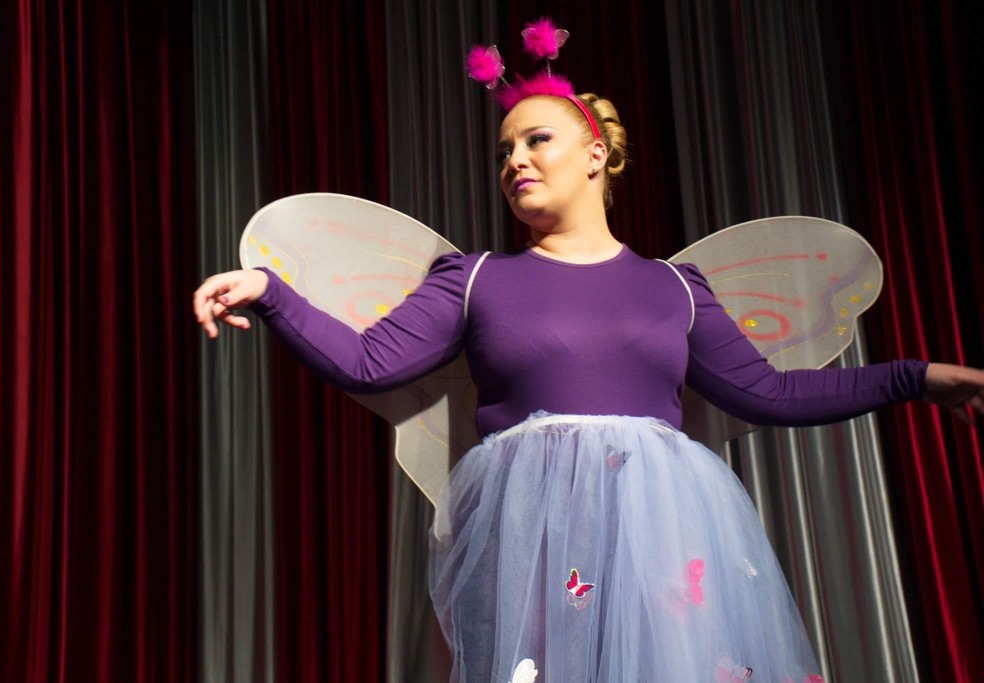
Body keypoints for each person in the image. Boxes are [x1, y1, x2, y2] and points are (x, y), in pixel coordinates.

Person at [194, 92, 984, 682]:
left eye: (537, 139)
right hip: (533, 542)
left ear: (596, 154)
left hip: (661, 542)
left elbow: (770, 393)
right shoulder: (474, 280)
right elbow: (369, 361)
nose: (514, 160)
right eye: (504, 150)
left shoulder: (674, 288)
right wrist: (270, 291)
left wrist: (919, 377)